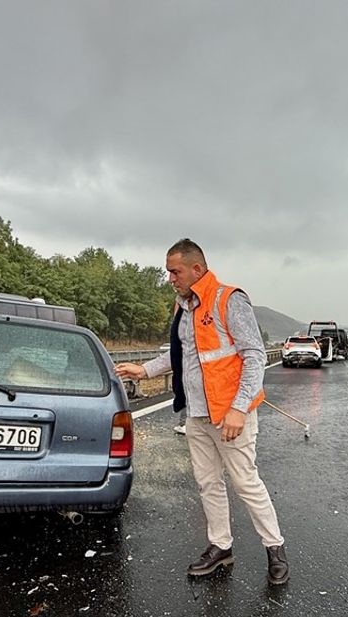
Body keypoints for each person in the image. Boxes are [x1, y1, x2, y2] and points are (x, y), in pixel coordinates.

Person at [115, 239, 289, 585]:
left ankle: (275, 549)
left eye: (174, 271)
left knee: (245, 482)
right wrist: (144, 370)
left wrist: (239, 409)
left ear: (197, 269)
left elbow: (254, 356)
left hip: (230, 416)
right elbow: (179, 357)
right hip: (196, 414)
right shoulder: (183, 308)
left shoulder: (228, 300)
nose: (169, 278)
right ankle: (220, 547)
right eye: (168, 271)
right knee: (208, 483)